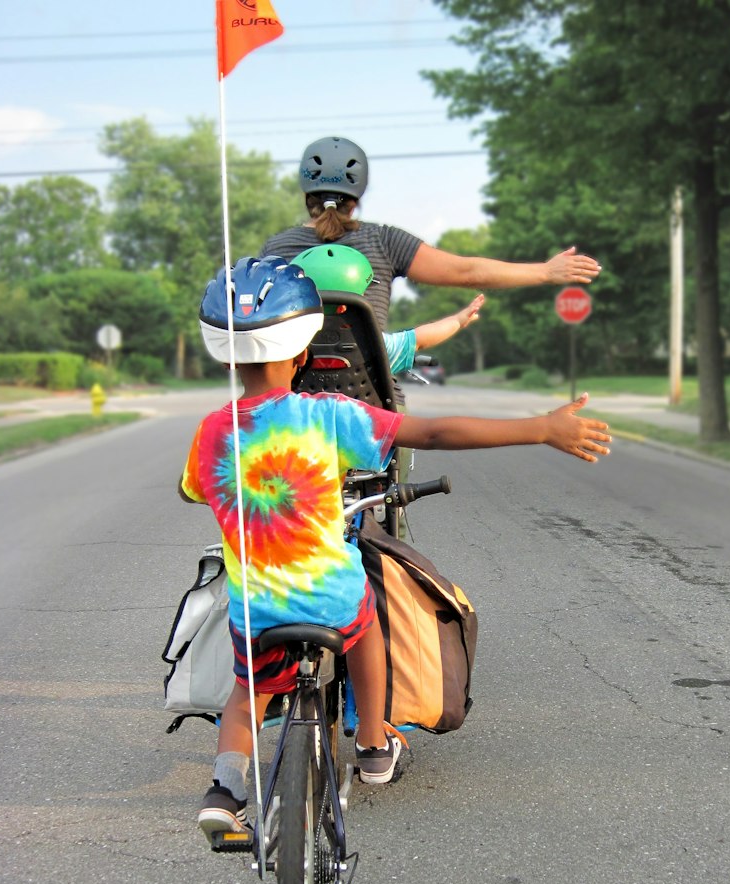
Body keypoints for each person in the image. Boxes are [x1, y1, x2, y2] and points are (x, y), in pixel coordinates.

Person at [182, 256, 611, 839]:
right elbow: (432, 432)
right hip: (329, 599)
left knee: (248, 693)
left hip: (255, 610)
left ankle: (224, 792)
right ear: (304, 353)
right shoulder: (327, 417)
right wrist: (541, 427)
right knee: (367, 630)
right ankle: (374, 744)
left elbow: (192, 490)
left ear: (228, 356)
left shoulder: (212, 432)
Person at [260, 135, 600, 330]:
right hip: (368, 398)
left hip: (293, 401)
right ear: (357, 198)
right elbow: (467, 272)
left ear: (307, 195)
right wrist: (545, 271)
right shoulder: (384, 241)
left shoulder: (275, 250)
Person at [291, 243, 484, 375]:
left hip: (297, 433)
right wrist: (458, 320)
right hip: (365, 432)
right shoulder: (373, 344)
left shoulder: (286, 344)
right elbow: (421, 338)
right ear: (347, 305)